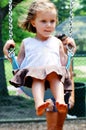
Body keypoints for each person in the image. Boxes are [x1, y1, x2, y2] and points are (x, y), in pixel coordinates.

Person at [3, 0, 76, 117]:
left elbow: (64, 63)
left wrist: (72, 51)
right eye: (43, 21)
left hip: (54, 74)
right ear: (33, 22)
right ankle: (39, 104)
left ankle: (60, 101)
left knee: (55, 77)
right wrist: (9, 55)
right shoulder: (27, 42)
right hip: (33, 77)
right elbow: (19, 64)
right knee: (38, 78)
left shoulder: (57, 42)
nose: (49, 25)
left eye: (52, 21)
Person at [45, 34, 76, 130]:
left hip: (64, 94)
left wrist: (72, 96)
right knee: (52, 127)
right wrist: (46, 99)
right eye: (63, 44)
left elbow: (70, 78)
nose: (66, 47)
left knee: (59, 126)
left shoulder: (67, 60)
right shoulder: (48, 59)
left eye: (67, 44)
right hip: (51, 95)